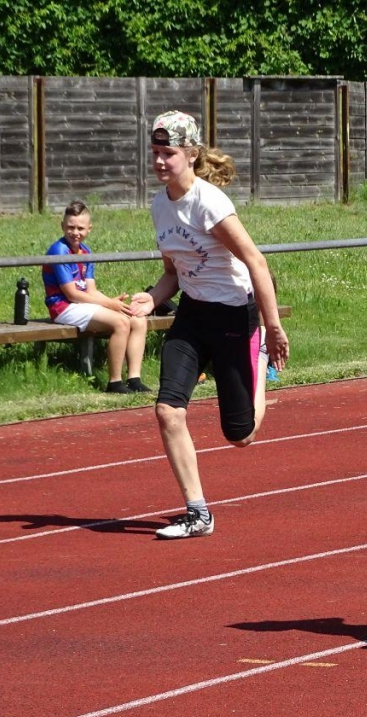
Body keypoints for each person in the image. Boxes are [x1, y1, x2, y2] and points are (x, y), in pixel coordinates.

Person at [129, 111, 289, 540]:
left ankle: (258, 358)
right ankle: (197, 513)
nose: (159, 161)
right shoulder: (160, 205)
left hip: (235, 315)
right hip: (193, 315)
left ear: (192, 154)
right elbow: (172, 272)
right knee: (167, 410)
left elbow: (256, 262)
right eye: (155, 152)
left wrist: (272, 328)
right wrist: (153, 298)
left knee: (241, 436)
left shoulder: (210, 203)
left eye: (168, 153)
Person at [42, 200, 151, 394]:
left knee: (138, 319)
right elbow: (72, 294)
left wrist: (112, 302)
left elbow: (91, 290)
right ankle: (114, 382)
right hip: (63, 307)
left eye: (80, 228)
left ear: (89, 229)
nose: (75, 232)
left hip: (81, 304)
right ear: (62, 226)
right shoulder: (58, 251)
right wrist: (109, 304)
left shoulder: (86, 251)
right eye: (70, 227)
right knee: (121, 322)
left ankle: (134, 379)